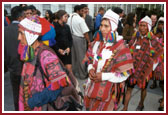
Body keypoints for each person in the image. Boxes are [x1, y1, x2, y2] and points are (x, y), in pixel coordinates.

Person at [18, 15, 81, 111]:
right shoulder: (30, 52)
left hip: (44, 106)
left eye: (21, 33)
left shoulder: (46, 56)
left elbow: (59, 84)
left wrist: (32, 101)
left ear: (31, 34)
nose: (18, 38)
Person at [83, 9, 133, 111]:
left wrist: (104, 76)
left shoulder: (121, 47)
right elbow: (90, 60)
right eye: (101, 25)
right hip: (93, 88)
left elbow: (125, 73)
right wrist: (90, 69)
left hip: (110, 91)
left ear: (113, 27)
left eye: (106, 26)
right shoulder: (97, 43)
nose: (102, 29)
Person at [122, 16, 163, 111]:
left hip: (145, 70)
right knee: (129, 88)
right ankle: (125, 108)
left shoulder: (152, 38)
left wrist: (152, 62)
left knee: (143, 89)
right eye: (140, 25)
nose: (142, 28)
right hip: (133, 68)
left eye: (144, 26)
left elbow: (160, 50)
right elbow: (129, 47)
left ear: (148, 27)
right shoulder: (135, 36)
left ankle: (141, 104)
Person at [4, 6, 25, 111]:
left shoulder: (5, 30)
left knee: (16, 94)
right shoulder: (24, 29)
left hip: (12, 67)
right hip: (25, 67)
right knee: (27, 94)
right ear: (21, 17)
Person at [67, 5, 90, 79]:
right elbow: (85, 32)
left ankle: (73, 74)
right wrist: (89, 41)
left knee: (73, 57)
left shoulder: (69, 17)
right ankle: (82, 75)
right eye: (82, 11)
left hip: (71, 37)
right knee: (81, 57)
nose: (84, 12)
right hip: (79, 39)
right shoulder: (80, 19)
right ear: (78, 11)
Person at [152, 17, 164, 111]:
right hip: (158, 62)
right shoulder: (156, 33)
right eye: (160, 23)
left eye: (163, 24)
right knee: (161, 82)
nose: (161, 25)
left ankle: (163, 103)